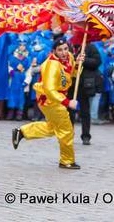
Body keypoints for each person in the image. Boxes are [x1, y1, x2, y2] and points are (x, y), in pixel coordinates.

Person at [12, 37, 84, 170]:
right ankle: (67, 160)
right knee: (66, 130)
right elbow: (50, 90)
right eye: (60, 50)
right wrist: (68, 103)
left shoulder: (69, 57)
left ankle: (22, 132)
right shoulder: (51, 65)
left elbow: (72, 74)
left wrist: (78, 64)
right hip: (51, 100)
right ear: (54, 51)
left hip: (58, 97)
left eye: (65, 49)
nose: (64, 52)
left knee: (53, 128)